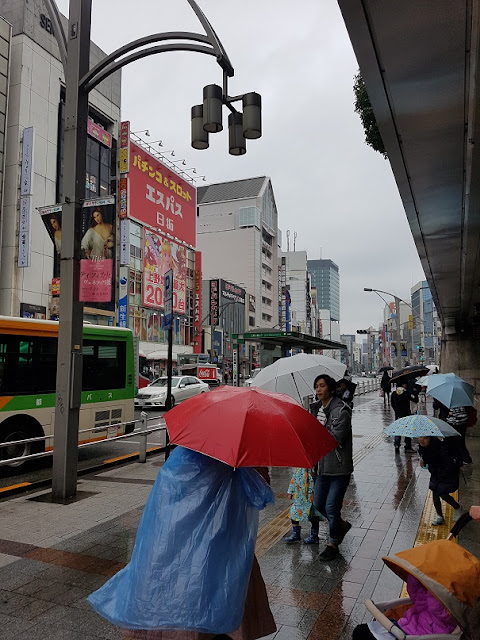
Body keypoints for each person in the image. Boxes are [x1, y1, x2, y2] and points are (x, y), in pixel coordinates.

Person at [88, 447, 276, 640]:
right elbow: (261, 495)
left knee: (190, 597)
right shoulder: (246, 454)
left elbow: (168, 498)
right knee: (225, 602)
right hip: (227, 546)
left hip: (184, 548)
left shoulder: (185, 452)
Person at [310, 374, 353, 561]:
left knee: (331, 506)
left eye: (322, 386)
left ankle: (333, 543)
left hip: (339, 467)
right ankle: (341, 525)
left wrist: (318, 428)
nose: (319, 390)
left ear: (331, 388)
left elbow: (335, 438)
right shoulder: (316, 409)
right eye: (316, 386)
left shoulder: (341, 410)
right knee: (319, 505)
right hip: (321, 467)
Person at [418, 435, 462, 525]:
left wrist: (433, 467)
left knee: (442, 494)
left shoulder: (441, 449)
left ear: (431, 438)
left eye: (425, 438)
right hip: (436, 475)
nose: (422, 440)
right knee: (435, 493)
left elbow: (448, 466)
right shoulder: (423, 450)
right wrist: (424, 464)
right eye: (420, 437)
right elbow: (429, 465)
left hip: (448, 475)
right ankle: (439, 516)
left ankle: (457, 507)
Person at [283, 467, 324, 545]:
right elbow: (294, 479)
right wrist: (290, 491)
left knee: (313, 515)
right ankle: (295, 534)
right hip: (299, 497)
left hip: (311, 497)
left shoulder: (316, 469)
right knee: (294, 514)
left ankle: (314, 536)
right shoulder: (299, 469)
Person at [391, 381, 413, 452]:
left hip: (398, 415)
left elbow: (392, 404)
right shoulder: (406, 393)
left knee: (398, 430)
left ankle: (397, 445)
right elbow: (415, 399)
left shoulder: (394, 394)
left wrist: (396, 411)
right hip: (406, 414)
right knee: (408, 430)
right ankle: (408, 447)